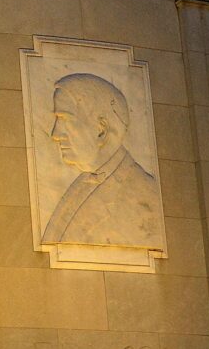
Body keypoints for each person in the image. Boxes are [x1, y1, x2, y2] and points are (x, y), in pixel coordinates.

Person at [41, 73, 162, 248]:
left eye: (65, 120)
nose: (55, 134)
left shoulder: (144, 196)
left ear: (101, 131)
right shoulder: (85, 180)